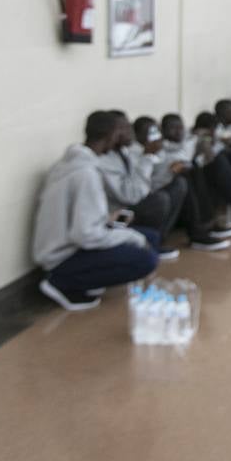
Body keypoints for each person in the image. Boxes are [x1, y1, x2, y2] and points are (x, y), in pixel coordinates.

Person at [31, 111, 161, 311]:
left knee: (150, 237)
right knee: (145, 258)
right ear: (112, 135)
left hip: (69, 241)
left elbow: (78, 218)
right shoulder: (85, 173)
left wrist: (109, 219)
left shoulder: (72, 162)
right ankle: (63, 283)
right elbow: (85, 235)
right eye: (122, 131)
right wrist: (131, 237)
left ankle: (86, 279)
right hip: (62, 256)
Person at [136, 116, 231, 251]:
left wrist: (204, 144)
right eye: (150, 133)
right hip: (145, 202)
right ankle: (198, 231)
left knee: (192, 172)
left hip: (164, 194)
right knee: (185, 176)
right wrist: (173, 169)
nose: (155, 136)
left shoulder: (164, 146)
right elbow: (148, 186)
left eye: (156, 132)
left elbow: (193, 157)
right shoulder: (137, 152)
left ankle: (204, 226)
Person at [96, 111, 183, 259]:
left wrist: (169, 172)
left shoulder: (123, 152)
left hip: (128, 206)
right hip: (113, 219)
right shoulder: (104, 161)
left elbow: (143, 184)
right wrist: (148, 157)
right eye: (124, 128)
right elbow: (132, 196)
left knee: (178, 184)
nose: (130, 132)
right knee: (159, 200)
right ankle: (145, 245)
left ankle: (157, 241)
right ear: (112, 133)